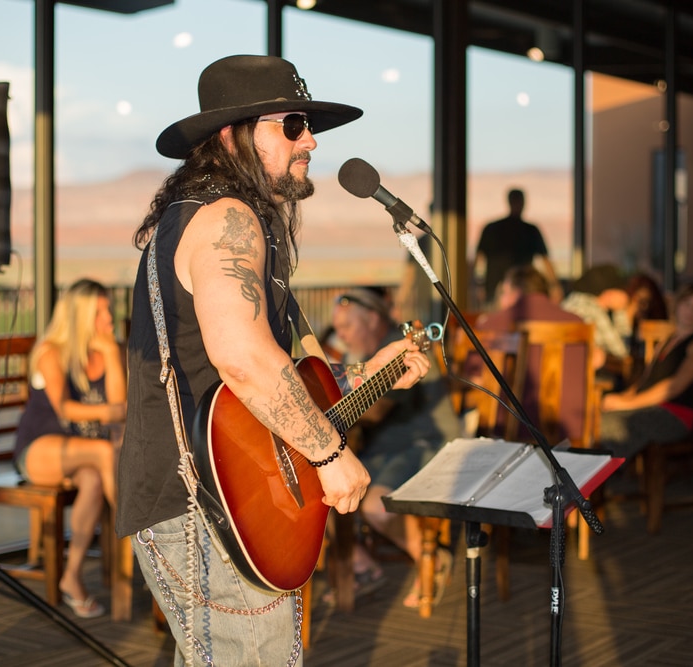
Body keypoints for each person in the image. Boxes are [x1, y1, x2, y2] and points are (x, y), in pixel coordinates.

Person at [116, 55, 430, 665]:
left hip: (211, 498)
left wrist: (370, 373)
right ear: (232, 136)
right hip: (206, 503)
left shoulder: (210, 215)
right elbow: (240, 357)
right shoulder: (227, 218)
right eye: (291, 125)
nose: (310, 139)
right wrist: (331, 455)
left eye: (308, 124)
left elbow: (270, 376)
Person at [330, 287, 461, 608]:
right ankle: (363, 567)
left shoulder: (399, 350)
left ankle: (432, 559)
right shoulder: (357, 354)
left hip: (426, 445)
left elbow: (373, 411)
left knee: (375, 505)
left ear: (373, 319)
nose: (341, 336)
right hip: (384, 449)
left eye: (347, 327)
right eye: (338, 328)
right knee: (322, 492)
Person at [13, 278, 126, 619]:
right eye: (101, 312)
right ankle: (136, 532)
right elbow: (65, 408)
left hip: (87, 454)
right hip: (40, 450)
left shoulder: (110, 350)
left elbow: (122, 405)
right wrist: (108, 412)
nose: (110, 318)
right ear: (80, 317)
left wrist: (109, 353)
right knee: (105, 455)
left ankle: (72, 576)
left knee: (93, 478)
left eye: (109, 310)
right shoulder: (51, 352)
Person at [598, 283, 693, 460]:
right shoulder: (668, 340)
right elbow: (644, 383)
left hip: (675, 415)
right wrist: (621, 398)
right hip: (650, 408)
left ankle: (588, 482)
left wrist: (627, 404)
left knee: (606, 425)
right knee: (591, 418)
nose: (690, 311)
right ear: (677, 305)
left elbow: (674, 387)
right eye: (687, 303)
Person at [476, 265, 591, 444]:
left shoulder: (493, 324)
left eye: (504, 293)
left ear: (516, 292)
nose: (502, 300)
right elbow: (596, 359)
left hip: (515, 429)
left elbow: (475, 375)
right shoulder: (577, 322)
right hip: (573, 428)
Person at [472, 188, 562, 308]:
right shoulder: (495, 229)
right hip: (498, 290)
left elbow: (545, 259)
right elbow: (478, 258)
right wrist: (474, 284)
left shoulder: (529, 230)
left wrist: (554, 285)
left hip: (521, 291)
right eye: (517, 201)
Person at [560, 264, 631, 378]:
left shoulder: (570, 301)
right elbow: (621, 351)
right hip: (578, 376)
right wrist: (620, 311)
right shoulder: (593, 309)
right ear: (609, 293)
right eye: (622, 290)